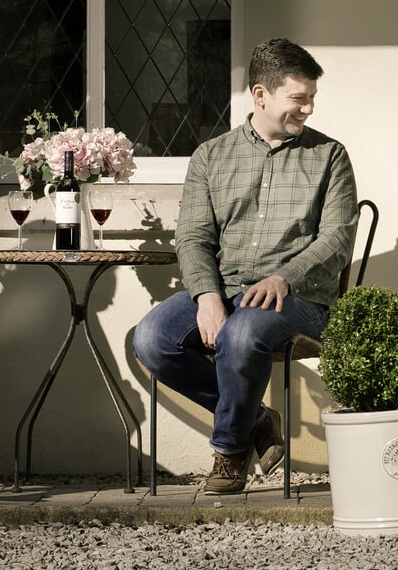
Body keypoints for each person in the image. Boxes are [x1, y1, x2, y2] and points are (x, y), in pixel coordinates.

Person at [133, 38, 358, 494]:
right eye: (299, 97)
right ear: (261, 95)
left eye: (311, 97)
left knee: (241, 333)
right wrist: (207, 296)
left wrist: (284, 277)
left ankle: (229, 453)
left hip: (301, 297)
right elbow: (193, 236)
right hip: (227, 285)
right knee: (153, 339)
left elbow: (337, 238)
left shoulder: (330, 157)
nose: (309, 108)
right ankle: (255, 420)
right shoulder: (211, 157)